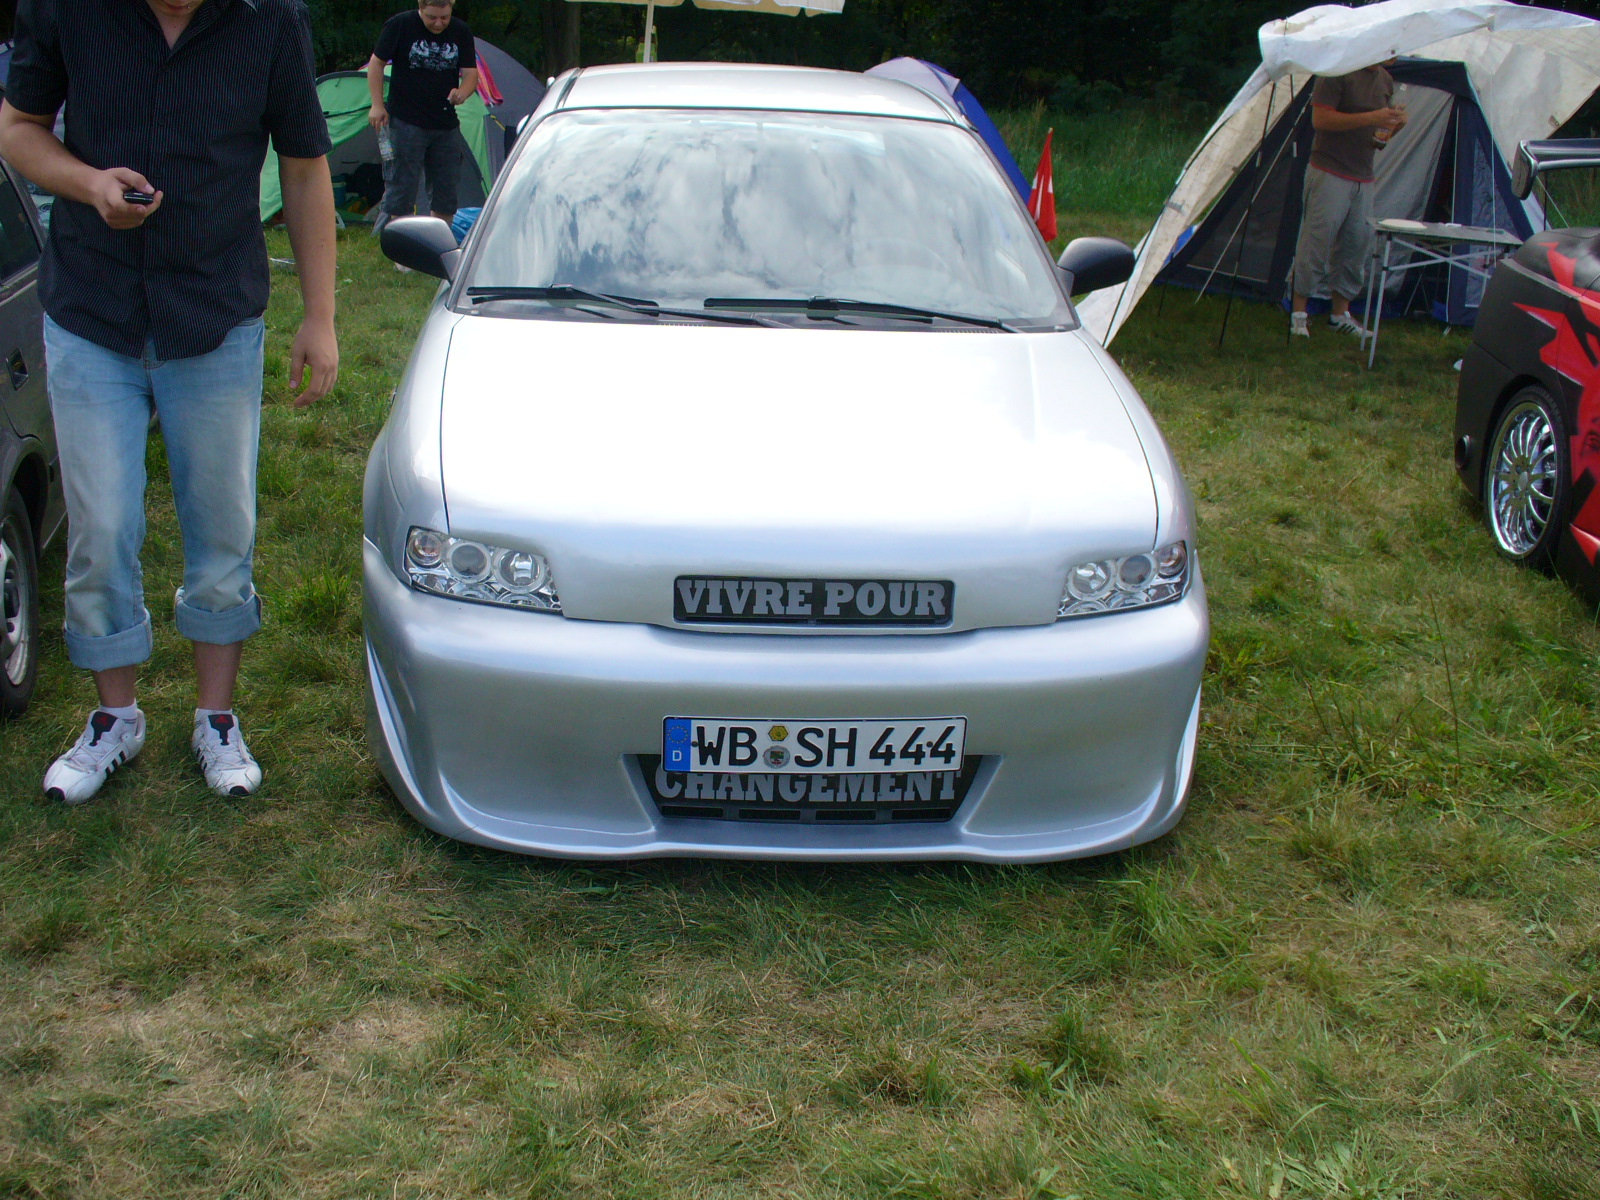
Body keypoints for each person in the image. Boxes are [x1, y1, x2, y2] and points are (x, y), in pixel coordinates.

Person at [0, 0, 339, 804]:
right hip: (92, 311)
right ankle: (115, 718)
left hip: (214, 312)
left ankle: (216, 717)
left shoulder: (271, 21)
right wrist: (88, 184)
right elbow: (17, 129)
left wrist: (320, 316)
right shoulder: (64, 8)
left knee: (222, 527)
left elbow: (303, 165)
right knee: (102, 527)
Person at [1290, 63, 1407, 339]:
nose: (1393, 53)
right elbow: (1321, 120)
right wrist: (1373, 117)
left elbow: (1378, 138)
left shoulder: (1385, 80)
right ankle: (1298, 313)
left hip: (1363, 175)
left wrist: (1394, 125)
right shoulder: (1337, 71)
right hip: (1329, 170)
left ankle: (1340, 314)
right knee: (1317, 241)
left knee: (1356, 245)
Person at [367, 0, 479, 232]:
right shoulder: (400, 25)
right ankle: (403, 244)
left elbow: (471, 74)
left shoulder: (461, 31)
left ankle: (440, 241)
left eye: (444, 17)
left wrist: (462, 92)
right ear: (421, 8)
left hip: (446, 124)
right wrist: (377, 105)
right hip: (405, 121)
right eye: (431, 17)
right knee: (402, 188)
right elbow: (376, 64)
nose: (438, 23)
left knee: (445, 191)